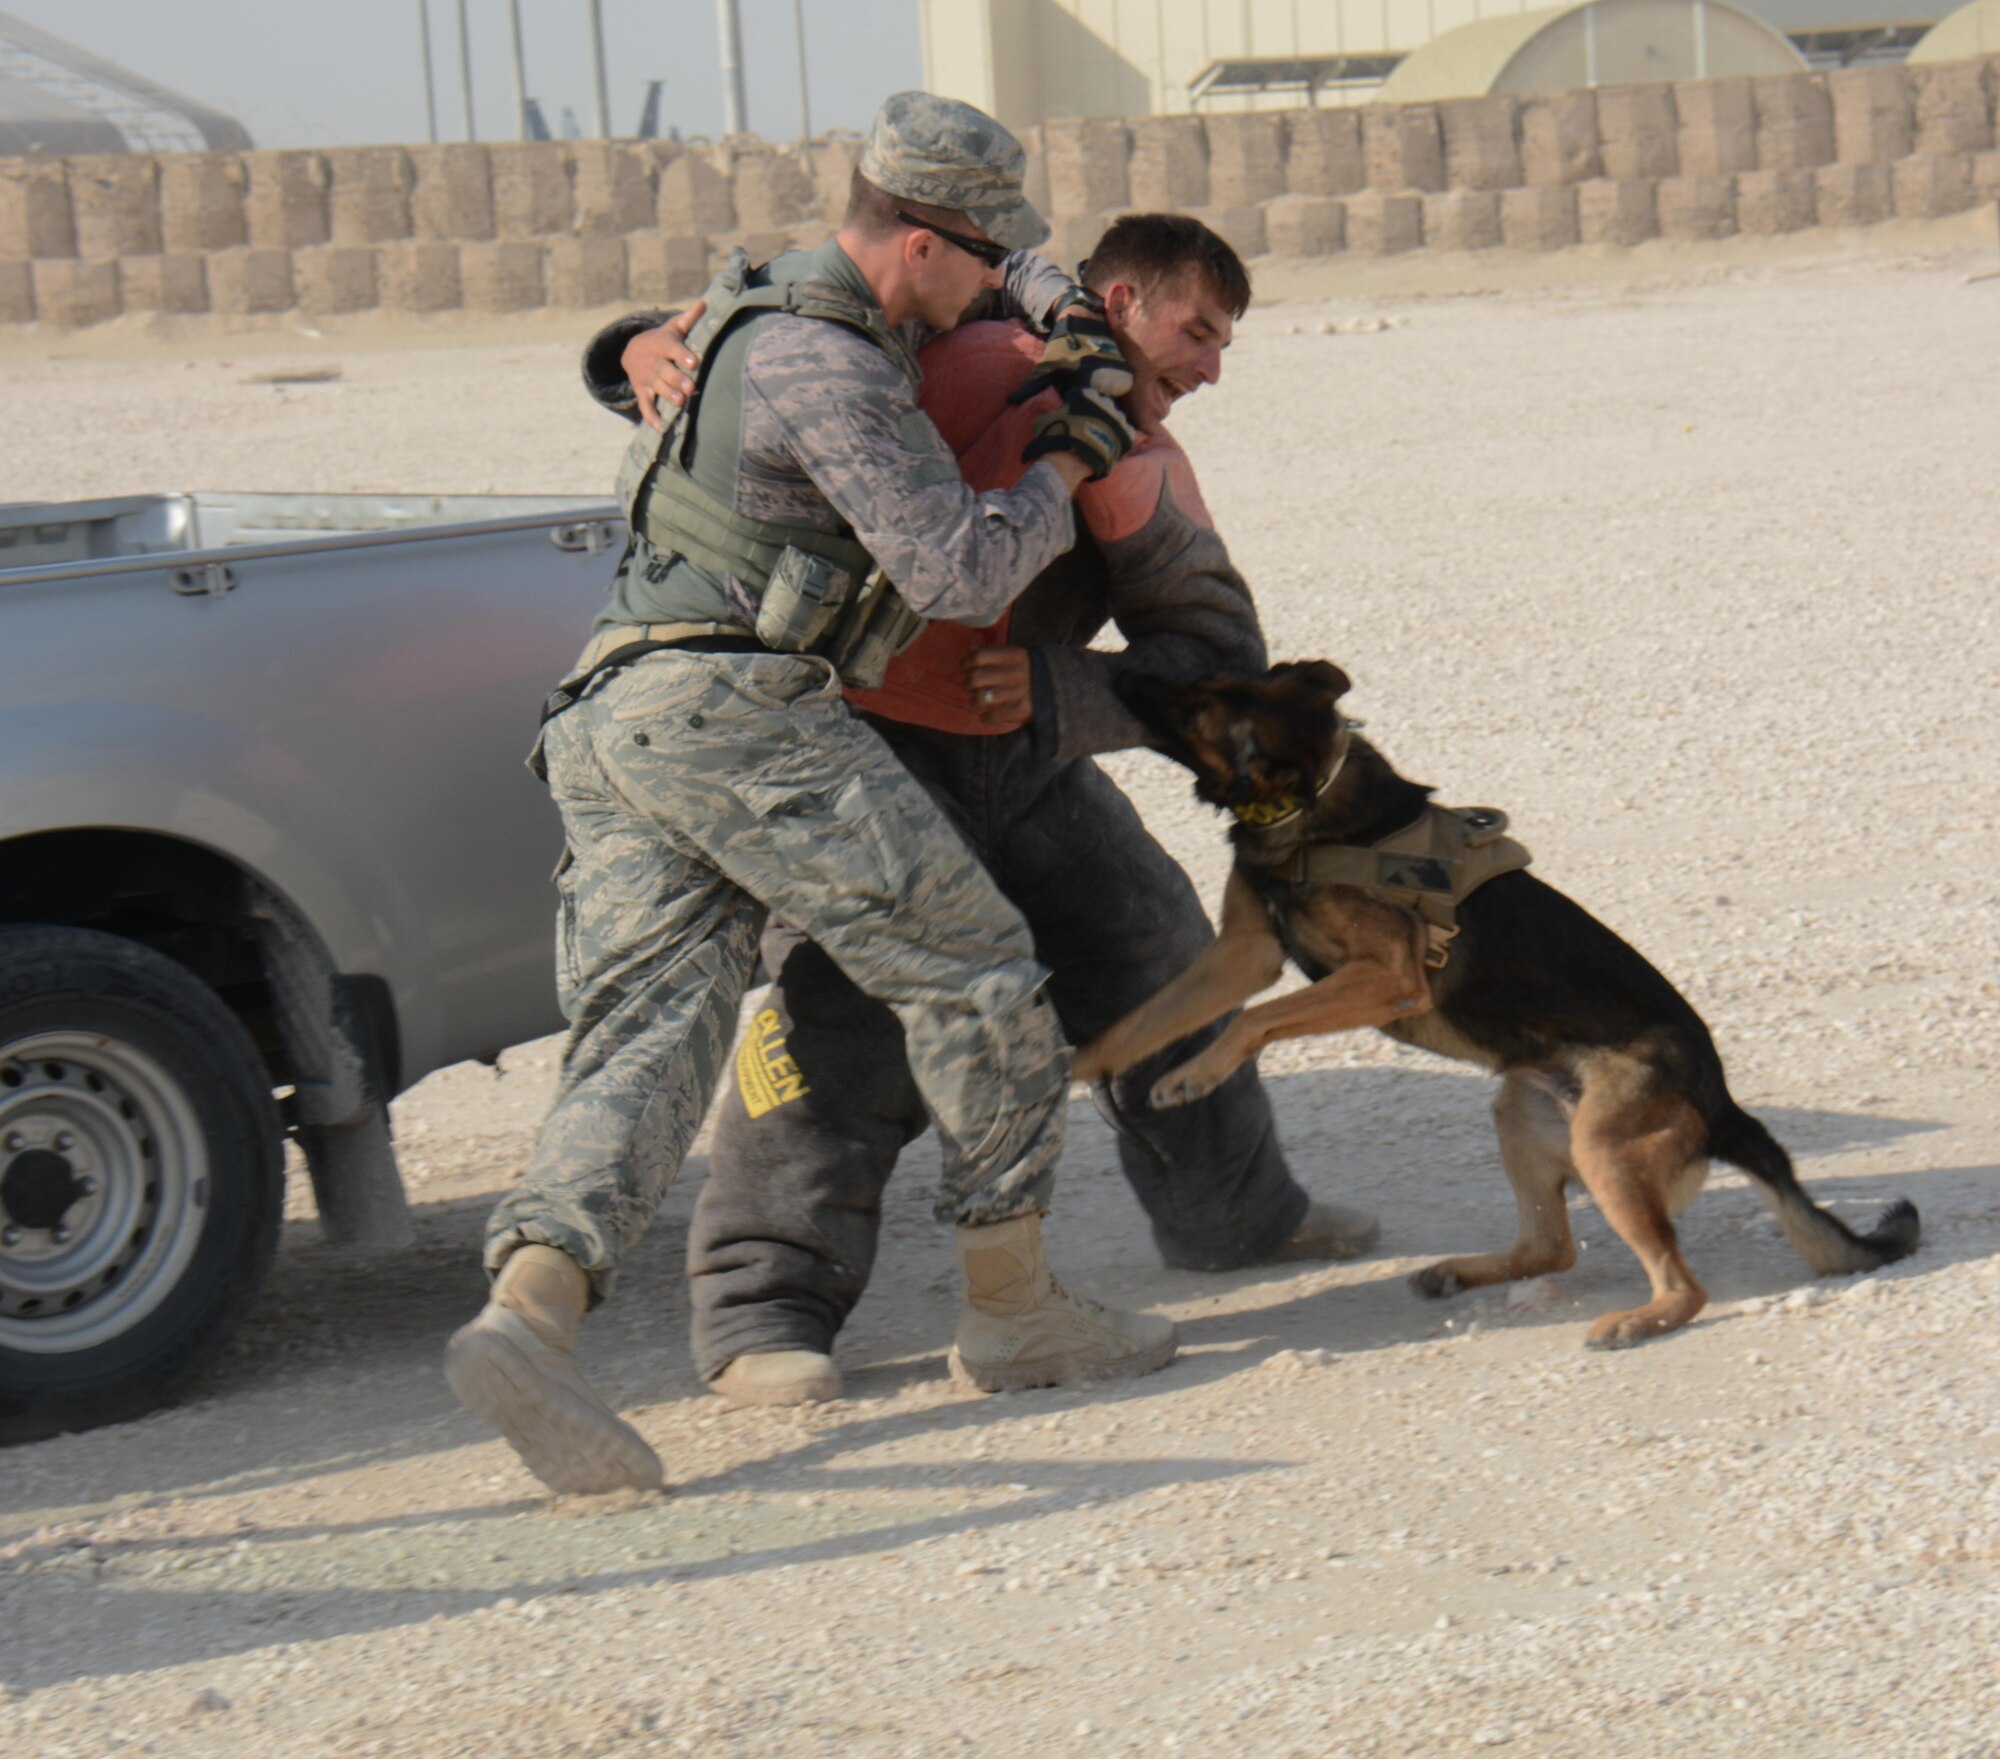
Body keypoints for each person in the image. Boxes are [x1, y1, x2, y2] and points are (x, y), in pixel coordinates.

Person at [445, 92, 1178, 1498]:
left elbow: (1015, 278)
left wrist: (1047, 297)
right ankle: (1017, 1307)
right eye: (975, 260)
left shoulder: (746, 304)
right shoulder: (824, 364)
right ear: (912, 243)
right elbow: (958, 570)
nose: (988, 292)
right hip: (733, 707)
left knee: (645, 1040)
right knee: (974, 968)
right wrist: (1065, 457)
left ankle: (527, 1317)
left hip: (615, 718)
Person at [592, 215, 1381, 1409]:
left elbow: (1220, 656)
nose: (1214, 366)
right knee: (838, 1022)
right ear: (1118, 301)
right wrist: (634, 345)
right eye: (1198, 332)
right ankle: (761, 1314)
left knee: (1164, 956)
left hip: (1026, 765)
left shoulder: (1124, 448)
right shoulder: (902, 343)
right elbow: (723, 337)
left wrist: (1064, 690)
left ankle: (1240, 1219)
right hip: (850, 758)